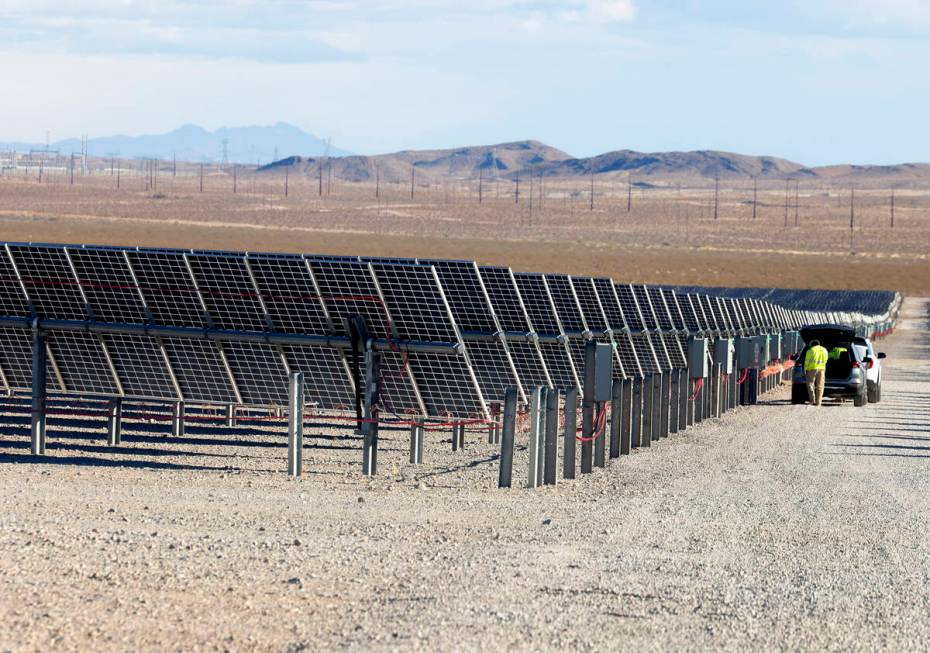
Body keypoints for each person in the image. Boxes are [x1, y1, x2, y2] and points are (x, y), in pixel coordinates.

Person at [804, 339, 829, 406]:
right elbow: (826, 359)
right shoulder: (824, 350)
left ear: (812, 345)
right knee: (820, 386)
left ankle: (812, 400)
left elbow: (807, 360)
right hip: (822, 369)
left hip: (812, 369)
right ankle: (818, 402)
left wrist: (806, 369)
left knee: (810, 384)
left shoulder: (811, 350)